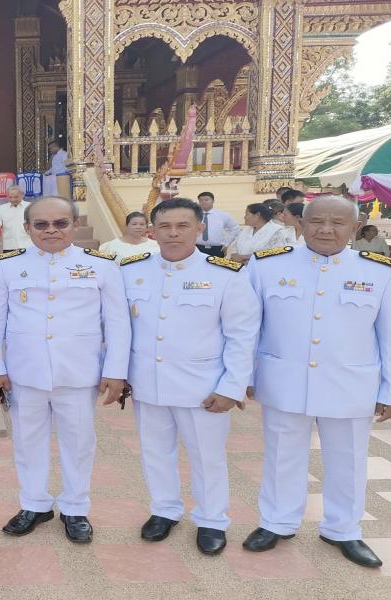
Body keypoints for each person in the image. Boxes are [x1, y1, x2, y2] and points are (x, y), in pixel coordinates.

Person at [242, 195, 391, 568]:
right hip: (284, 378)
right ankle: (277, 522)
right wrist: (244, 375)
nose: (326, 230)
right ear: (301, 223)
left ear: (355, 227)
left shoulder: (381, 271)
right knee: (282, 455)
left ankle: (343, 529)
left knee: (348, 459)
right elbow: (249, 327)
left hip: (351, 383)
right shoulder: (267, 264)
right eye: (317, 221)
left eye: (337, 222)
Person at [0, 196, 130, 544]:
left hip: (77, 373)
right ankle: (34, 504)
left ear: (75, 225)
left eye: (61, 223)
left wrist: (115, 370)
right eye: (41, 224)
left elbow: (117, 322)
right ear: (27, 228)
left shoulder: (101, 266)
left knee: (78, 443)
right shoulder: (8, 266)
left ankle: (75, 508)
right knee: (27, 441)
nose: (51, 230)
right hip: (25, 373)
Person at [121, 198, 259, 556]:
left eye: (182, 226)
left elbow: (242, 336)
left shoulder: (225, 274)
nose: (173, 233)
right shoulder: (131, 271)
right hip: (148, 382)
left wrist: (231, 387)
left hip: (203, 387)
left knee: (207, 457)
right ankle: (164, 510)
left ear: (199, 228)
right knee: (154, 452)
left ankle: (212, 520)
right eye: (165, 226)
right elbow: (120, 329)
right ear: (152, 231)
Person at [195, 192, 240, 258]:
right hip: (197, 248)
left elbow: (235, 228)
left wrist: (227, 244)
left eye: (206, 200)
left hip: (217, 249)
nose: (203, 202)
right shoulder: (194, 215)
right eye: (201, 200)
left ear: (213, 201)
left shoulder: (223, 215)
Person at [0, 184, 32, 252]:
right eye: (10, 197)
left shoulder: (30, 206)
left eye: (16, 197)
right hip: (9, 246)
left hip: (29, 245)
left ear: (22, 195)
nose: (13, 200)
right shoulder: (1, 209)